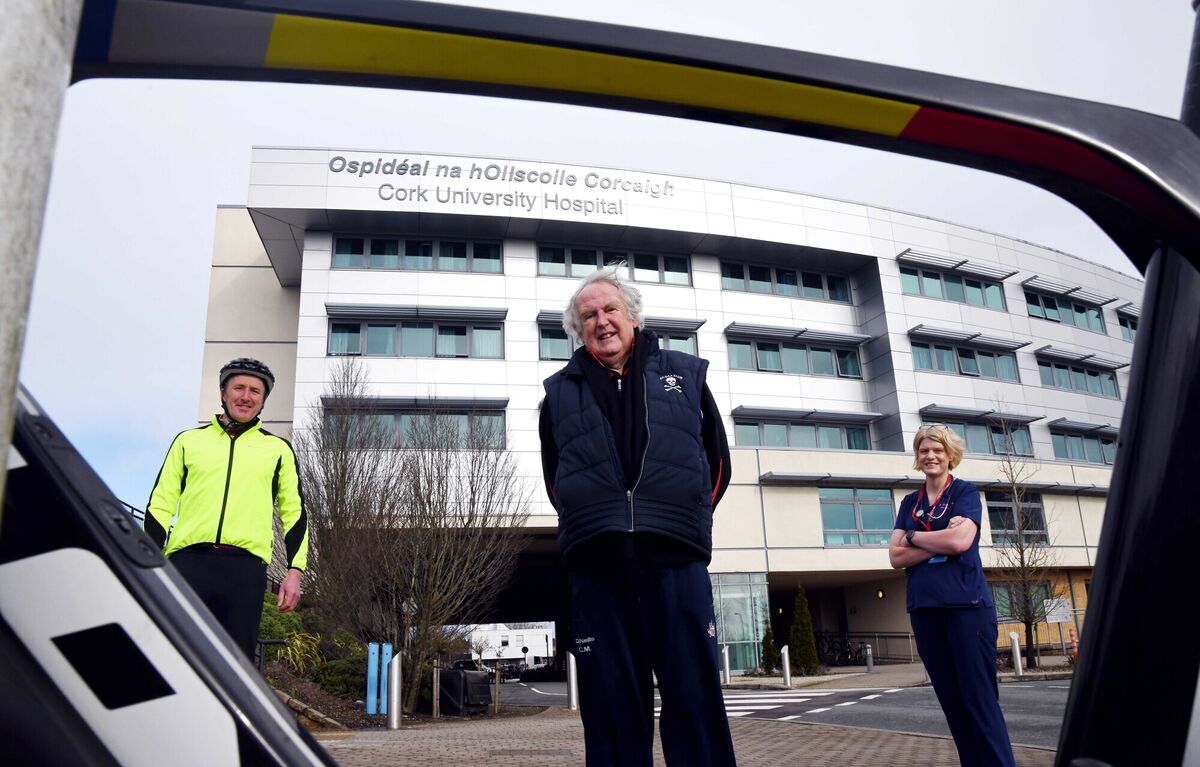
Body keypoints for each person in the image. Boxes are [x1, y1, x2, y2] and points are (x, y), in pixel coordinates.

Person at [539, 264, 736, 767]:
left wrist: (674, 518)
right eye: (589, 316)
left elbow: (716, 464)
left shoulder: (684, 375)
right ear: (577, 329)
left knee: (694, 701)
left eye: (610, 310)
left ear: (632, 316)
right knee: (610, 711)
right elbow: (556, 479)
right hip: (598, 568)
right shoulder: (558, 392)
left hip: (675, 560)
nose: (601, 322)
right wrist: (604, 520)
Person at [145, 357, 309, 661]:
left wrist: (295, 571)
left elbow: (295, 513)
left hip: (245, 571)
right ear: (223, 393)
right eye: (239, 388)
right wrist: (148, 559)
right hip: (188, 563)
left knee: (236, 664)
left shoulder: (278, 450)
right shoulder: (188, 441)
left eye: (255, 391)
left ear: (262, 401)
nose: (246, 396)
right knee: (176, 656)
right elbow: (161, 503)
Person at [889, 423, 1016, 767]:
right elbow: (894, 556)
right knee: (953, 705)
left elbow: (960, 542)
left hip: (966, 609)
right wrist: (937, 537)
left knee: (980, 703)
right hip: (925, 609)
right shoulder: (909, 503)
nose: (930, 456)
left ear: (950, 455)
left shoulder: (965, 493)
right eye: (924, 450)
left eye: (938, 450)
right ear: (917, 456)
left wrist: (913, 537)